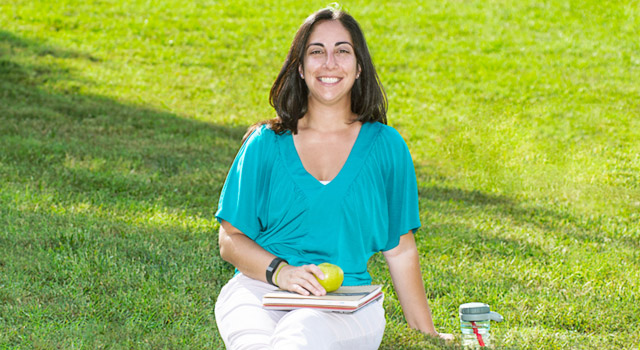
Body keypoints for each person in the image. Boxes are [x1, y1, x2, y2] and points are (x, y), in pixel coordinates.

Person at [214, 5, 453, 350]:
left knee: (300, 334)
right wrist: (281, 272)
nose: (329, 63)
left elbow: (400, 250)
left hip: (347, 304)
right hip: (259, 291)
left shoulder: (386, 147)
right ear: (300, 68)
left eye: (342, 51)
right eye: (316, 52)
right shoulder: (264, 144)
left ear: (359, 68)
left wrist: (426, 332)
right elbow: (230, 239)